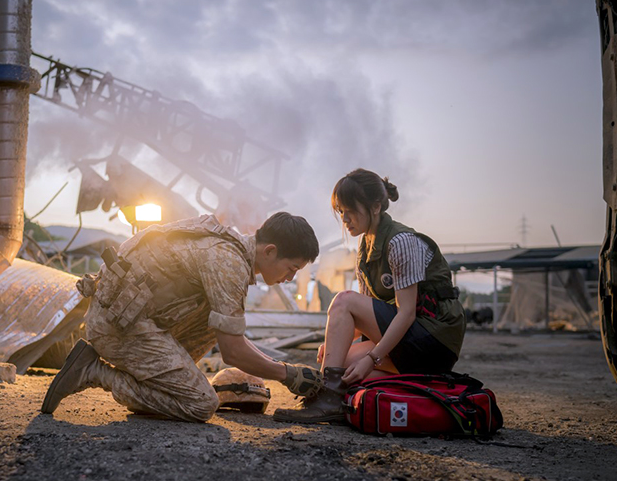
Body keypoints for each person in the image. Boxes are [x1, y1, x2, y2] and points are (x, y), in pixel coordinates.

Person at [41, 212, 323, 422]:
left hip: (132, 319)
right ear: (270, 251)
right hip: (116, 327)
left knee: (220, 321)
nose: (290, 278)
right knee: (200, 404)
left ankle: (157, 376)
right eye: (292, 269)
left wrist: (283, 368)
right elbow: (233, 352)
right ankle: (93, 371)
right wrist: (288, 374)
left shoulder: (230, 248)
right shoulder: (228, 263)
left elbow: (231, 337)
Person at [274, 169, 465, 423]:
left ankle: (326, 399)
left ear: (375, 207)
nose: (344, 218)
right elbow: (365, 317)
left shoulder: (401, 242)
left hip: (434, 340)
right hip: (410, 343)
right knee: (343, 370)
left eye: (349, 210)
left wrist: (372, 358)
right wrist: (334, 343)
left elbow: (406, 314)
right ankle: (333, 400)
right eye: (340, 211)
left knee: (343, 300)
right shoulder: (366, 248)